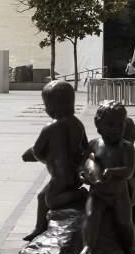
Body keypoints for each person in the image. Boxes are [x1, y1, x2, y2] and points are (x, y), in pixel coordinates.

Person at [21, 80, 88, 242]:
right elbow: (85, 148)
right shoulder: (78, 125)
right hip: (73, 174)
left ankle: (81, 194)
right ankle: (40, 228)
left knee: (50, 200)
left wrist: (41, 158)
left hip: (60, 177)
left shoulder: (50, 128)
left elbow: (37, 151)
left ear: (52, 106)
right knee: (41, 196)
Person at [82, 100, 135, 253]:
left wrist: (113, 172)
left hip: (119, 194)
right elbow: (84, 165)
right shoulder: (94, 144)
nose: (115, 129)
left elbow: (129, 171)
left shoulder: (126, 147)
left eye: (120, 125)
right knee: (91, 216)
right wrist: (84, 176)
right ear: (98, 125)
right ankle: (88, 246)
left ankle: (130, 246)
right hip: (97, 194)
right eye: (110, 125)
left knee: (125, 222)